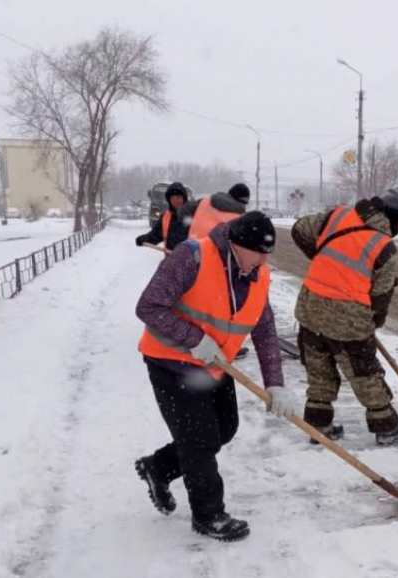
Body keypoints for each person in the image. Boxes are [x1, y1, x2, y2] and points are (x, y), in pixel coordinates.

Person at [134, 211, 293, 542]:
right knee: (200, 438)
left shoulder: (257, 275)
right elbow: (148, 306)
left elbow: (264, 329)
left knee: (225, 428)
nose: (264, 261)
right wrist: (194, 339)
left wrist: (275, 383)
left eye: (268, 254)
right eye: (259, 252)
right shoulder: (191, 256)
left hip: (214, 364)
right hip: (170, 362)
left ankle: (158, 468)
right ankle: (209, 515)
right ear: (236, 244)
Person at [291, 189, 398, 446]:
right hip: (348, 320)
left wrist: (320, 256)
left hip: (311, 307)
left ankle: (319, 426)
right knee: (364, 372)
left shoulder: (339, 215)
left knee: (319, 370)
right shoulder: (384, 246)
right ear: (394, 219)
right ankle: (387, 427)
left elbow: (299, 229)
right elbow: (380, 297)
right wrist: (373, 323)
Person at [135, 182, 190, 251]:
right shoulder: (165, 217)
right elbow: (156, 235)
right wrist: (144, 239)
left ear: (184, 198)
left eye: (178, 197)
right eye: (172, 198)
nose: (175, 201)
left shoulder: (194, 215)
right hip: (172, 259)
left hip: (193, 260)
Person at [183, 183, 249, 240]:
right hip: (212, 252)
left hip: (191, 249)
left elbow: (183, 212)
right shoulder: (237, 217)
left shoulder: (204, 202)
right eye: (244, 203)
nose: (244, 206)